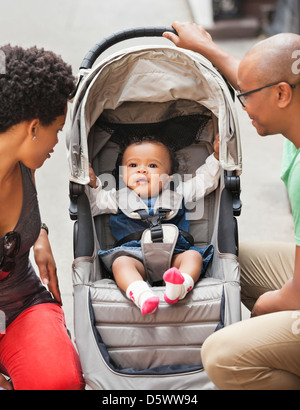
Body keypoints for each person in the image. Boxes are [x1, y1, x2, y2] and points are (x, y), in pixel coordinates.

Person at [164, 22, 300, 389]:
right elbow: (260, 76)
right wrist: (206, 46)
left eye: (246, 97)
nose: (243, 105)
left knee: (223, 355)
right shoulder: (293, 111)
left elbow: (296, 294)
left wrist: (259, 315)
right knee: (227, 256)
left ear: (282, 94)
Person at [0, 44, 85, 390]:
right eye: (58, 129)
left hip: (21, 303)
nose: (57, 142)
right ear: (34, 127)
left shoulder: (23, 163)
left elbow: (27, 212)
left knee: (58, 382)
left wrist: (38, 233)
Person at [88, 135, 220, 315]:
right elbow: (94, 204)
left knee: (193, 257)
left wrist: (217, 158)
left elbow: (203, 182)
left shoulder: (177, 193)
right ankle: (142, 295)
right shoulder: (116, 198)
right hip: (135, 257)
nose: (142, 170)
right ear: (122, 174)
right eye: (133, 165)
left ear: (167, 179)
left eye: (152, 166)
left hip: (175, 254)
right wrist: (93, 183)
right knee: (121, 264)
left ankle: (179, 286)